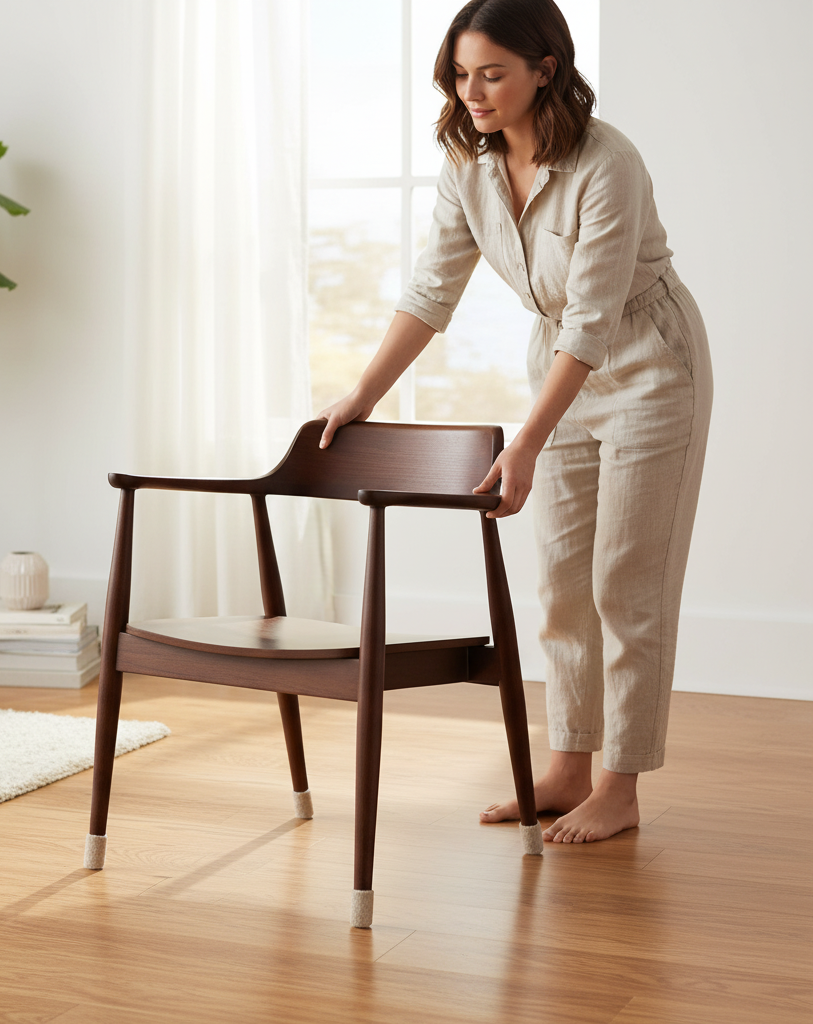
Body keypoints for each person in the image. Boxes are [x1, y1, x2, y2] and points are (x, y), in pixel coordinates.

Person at [317, 0, 713, 844]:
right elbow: (432, 291)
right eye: (461, 75)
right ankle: (567, 768)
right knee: (563, 589)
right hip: (560, 373)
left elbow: (594, 322)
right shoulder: (468, 163)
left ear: (545, 69)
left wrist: (524, 443)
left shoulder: (609, 163)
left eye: (492, 74)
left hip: (649, 366)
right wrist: (363, 395)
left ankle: (620, 786)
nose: (472, 93)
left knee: (626, 586)